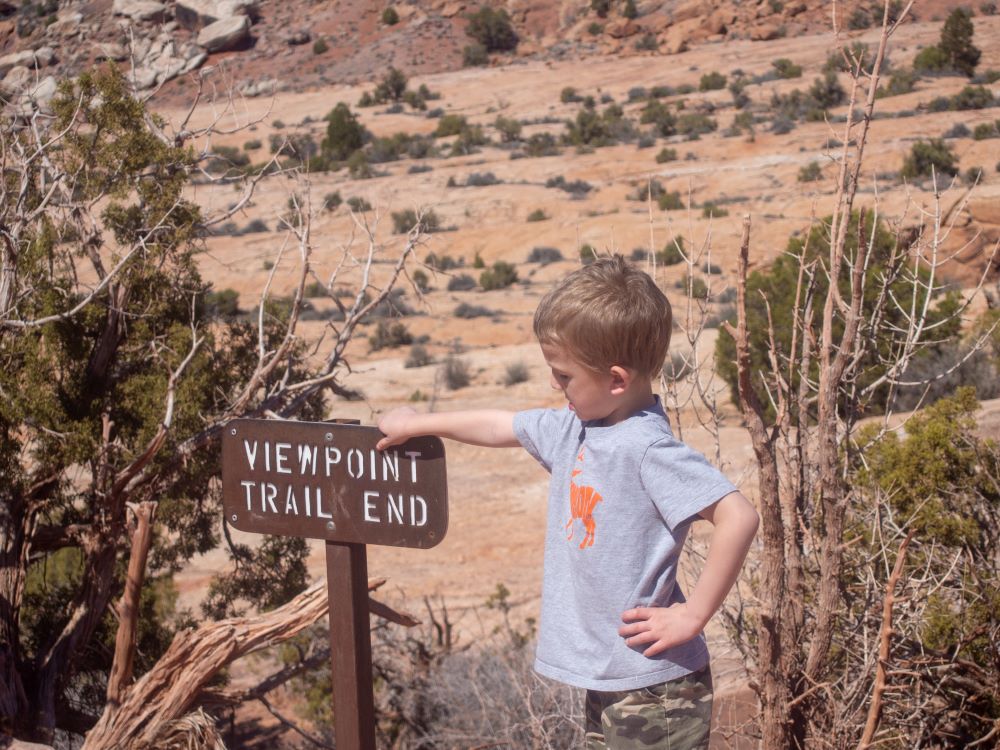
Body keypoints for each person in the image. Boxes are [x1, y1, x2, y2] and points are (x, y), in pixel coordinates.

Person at [376, 255, 759, 749]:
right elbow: (500, 426)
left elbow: (738, 516)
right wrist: (417, 424)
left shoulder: (646, 449)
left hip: (656, 687)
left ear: (616, 380)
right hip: (612, 678)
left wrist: (692, 615)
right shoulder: (576, 427)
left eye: (563, 376)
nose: (555, 386)